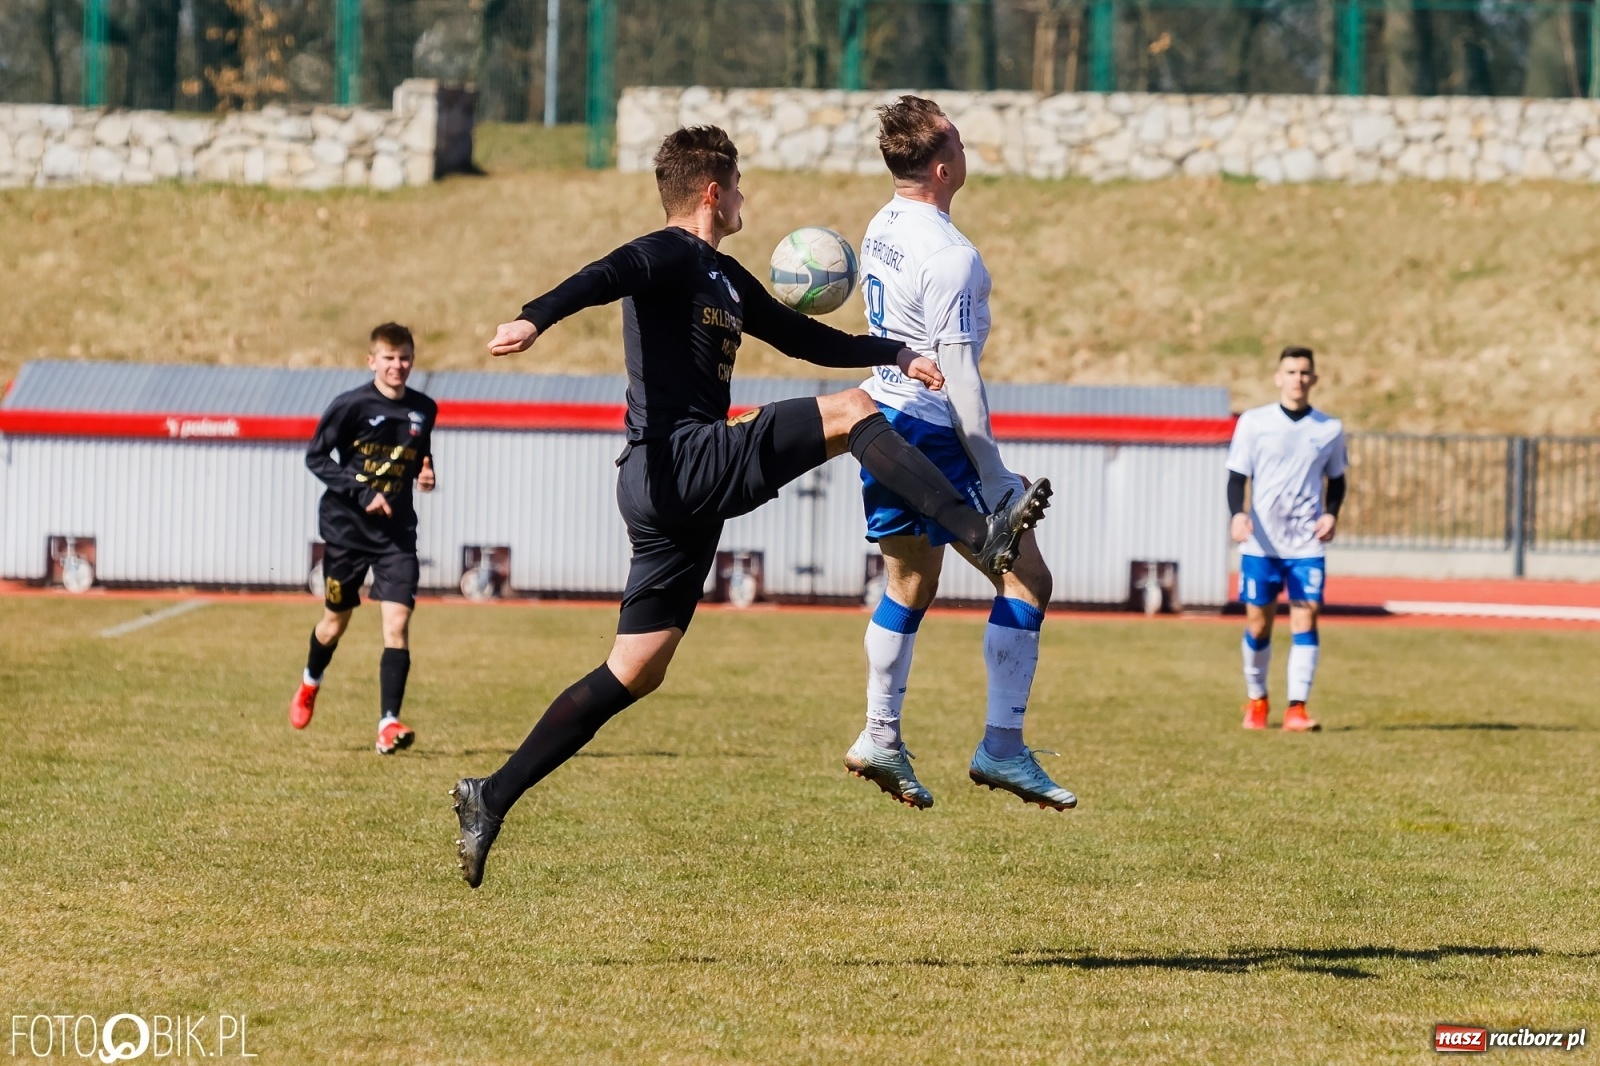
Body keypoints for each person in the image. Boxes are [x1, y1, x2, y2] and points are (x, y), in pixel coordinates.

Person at [450, 125, 1054, 888]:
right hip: (680, 459)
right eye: (737, 186)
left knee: (637, 668)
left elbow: (801, 337)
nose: (745, 198)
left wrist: (894, 352)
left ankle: (490, 794)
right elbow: (609, 272)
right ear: (711, 191)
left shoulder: (725, 277)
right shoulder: (670, 253)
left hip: (670, 489)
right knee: (852, 413)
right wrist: (535, 315)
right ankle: (981, 530)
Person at [843, 95, 1075, 813]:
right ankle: (1002, 747)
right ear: (945, 165)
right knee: (1028, 579)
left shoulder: (883, 222)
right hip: (933, 433)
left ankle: (881, 733)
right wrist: (995, 471)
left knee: (909, 585)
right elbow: (961, 374)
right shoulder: (951, 255)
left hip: (882, 421)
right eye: (962, 141)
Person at [290, 323, 437, 755]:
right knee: (335, 622)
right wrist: (362, 491)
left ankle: (387, 724)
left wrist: (427, 474)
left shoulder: (424, 408)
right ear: (372, 360)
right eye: (389, 358)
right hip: (346, 532)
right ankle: (309, 683)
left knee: (397, 625)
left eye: (405, 357)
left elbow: (420, 455)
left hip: (396, 535)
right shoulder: (350, 405)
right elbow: (315, 457)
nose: (398, 366)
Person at [1227, 345, 1347, 732]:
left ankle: (1297, 708)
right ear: (1279, 377)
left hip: (1305, 544)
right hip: (1261, 543)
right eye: (1291, 372)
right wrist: (1238, 514)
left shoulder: (1329, 428)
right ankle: (1257, 699)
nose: (1298, 379)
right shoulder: (1254, 422)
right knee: (1259, 625)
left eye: (1304, 373)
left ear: (1313, 379)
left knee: (1306, 616)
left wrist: (1331, 513)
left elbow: (1337, 480)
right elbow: (1237, 476)